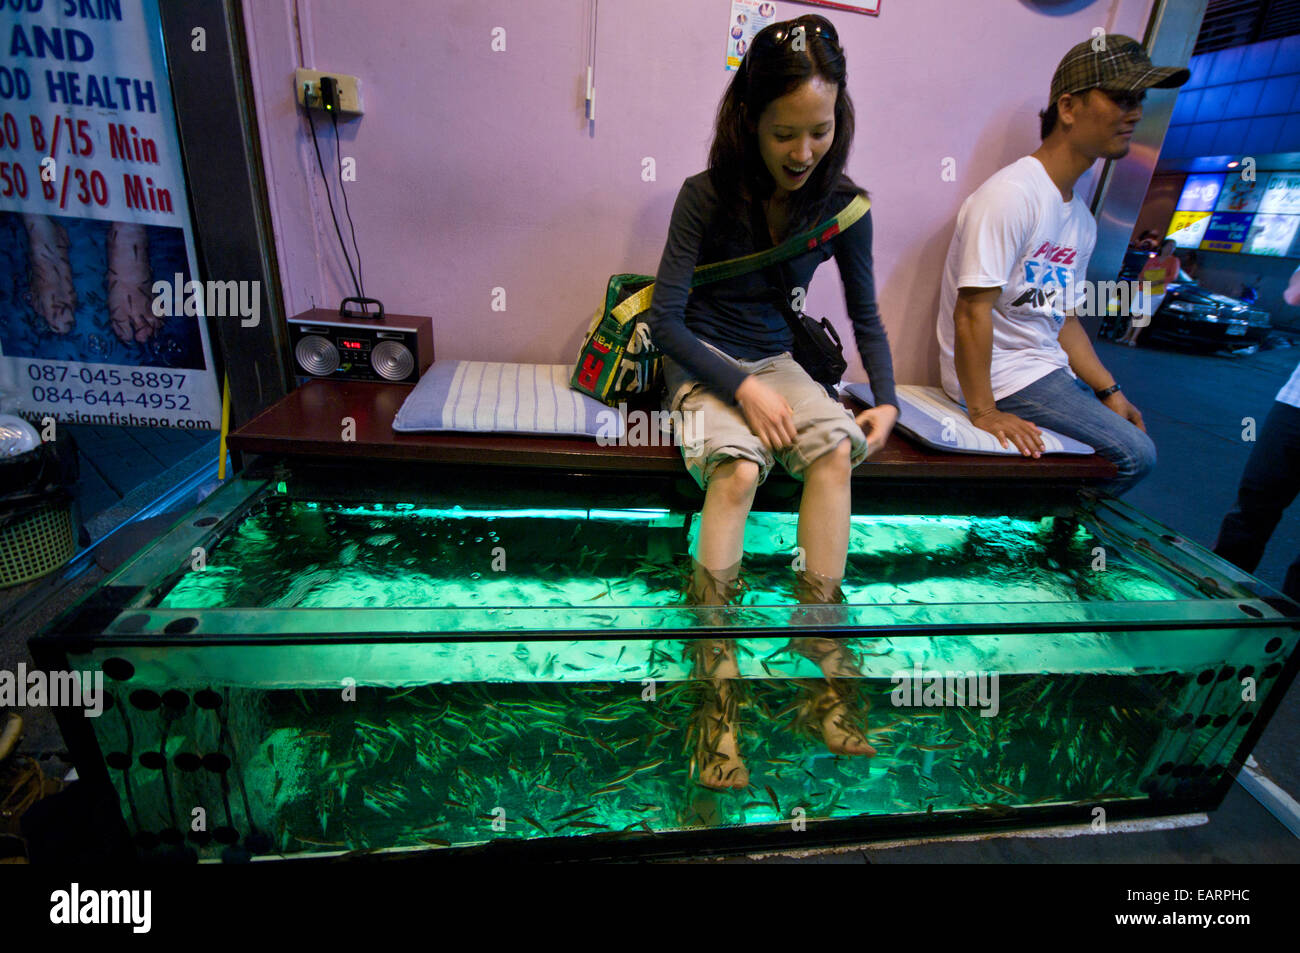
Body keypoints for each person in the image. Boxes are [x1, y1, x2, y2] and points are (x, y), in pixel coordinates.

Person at [644, 14, 899, 789]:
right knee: (738, 473)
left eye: (819, 131)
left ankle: (818, 654)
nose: (802, 152)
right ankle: (713, 690)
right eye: (784, 132)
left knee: (833, 450)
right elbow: (664, 321)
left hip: (777, 357)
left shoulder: (845, 205)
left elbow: (865, 313)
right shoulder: (703, 195)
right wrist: (742, 386)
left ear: (839, 118)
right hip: (706, 358)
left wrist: (886, 399)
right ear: (749, 119)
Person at [935, 35, 1188, 495]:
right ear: (1068, 108)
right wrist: (985, 412)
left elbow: (1062, 318)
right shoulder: (1011, 196)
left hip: (1044, 372)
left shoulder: (1082, 221)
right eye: (1121, 98)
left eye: (1140, 101)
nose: (1134, 114)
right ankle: (1033, 540)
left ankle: (1041, 531)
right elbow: (970, 312)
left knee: (1131, 443)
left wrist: (1110, 391)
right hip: (1005, 377)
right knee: (1134, 456)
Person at [1213, 264, 1300, 602]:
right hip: (1295, 405)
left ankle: (1292, 635)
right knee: (1253, 504)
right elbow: (1294, 294)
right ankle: (1218, 601)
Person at [1119, 238, 1180, 345]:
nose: (1171, 249)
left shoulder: (1174, 261)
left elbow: (1173, 276)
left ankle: (1133, 338)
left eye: (1173, 247)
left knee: (1145, 313)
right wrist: (1141, 280)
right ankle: (1126, 336)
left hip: (1157, 290)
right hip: (1144, 287)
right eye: (1169, 246)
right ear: (1163, 247)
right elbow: (1142, 273)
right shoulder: (1153, 259)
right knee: (1136, 313)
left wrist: (1157, 282)